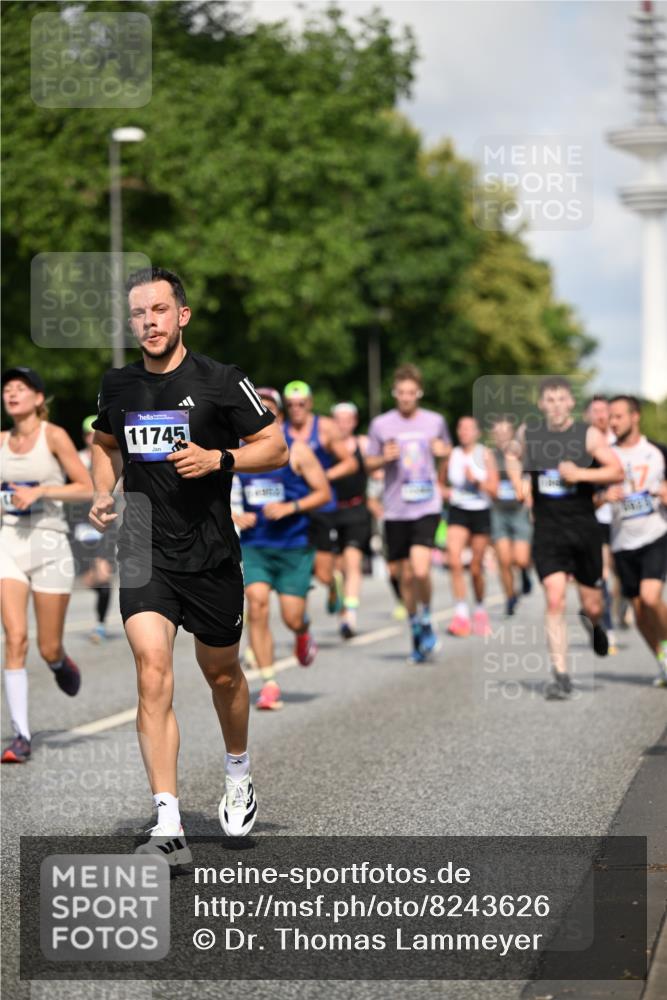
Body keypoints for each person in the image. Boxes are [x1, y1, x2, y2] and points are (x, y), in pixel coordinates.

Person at [88, 267, 288, 858]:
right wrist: (104, 490)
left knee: (222, 673)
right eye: (138, 314)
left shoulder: (222, 381)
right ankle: (168, 826)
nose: (148, 322)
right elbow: (105, 446)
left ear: (182, 316)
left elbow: (275, 447)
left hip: (211, 553)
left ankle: (238, 771)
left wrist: (219, 458)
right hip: (144, 547)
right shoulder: (118, 386)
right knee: (152, 669)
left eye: (158, 310)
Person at [508, 376, 623, 700]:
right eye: (550, 400)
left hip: (583, 528)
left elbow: (616, 471)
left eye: (562, 399)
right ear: (542, 404)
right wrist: (519, 481)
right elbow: (513, 456)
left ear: (571, 403)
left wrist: (581, 474)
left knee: (592, 604)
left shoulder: (586, 435)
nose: (556, 405)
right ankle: (561, 674)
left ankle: (595, 624)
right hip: (548, 529)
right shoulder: (530, 433)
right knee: (554, 597)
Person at [1, 367, 92, 763]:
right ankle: (21, 735)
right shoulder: (0, 442)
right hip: (8, 543)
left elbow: (86, 486)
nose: (12, 394)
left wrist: (40, 489)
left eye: (20, 388)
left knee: (46, 644)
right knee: (15, 637)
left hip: (51, 543)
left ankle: (58, 660)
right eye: (7, 389)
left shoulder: (53, 436)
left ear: (39, 398)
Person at [234, 387, 331, 709]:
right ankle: (269, 682)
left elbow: (323, 493)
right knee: (257, 605)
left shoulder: (298, 450)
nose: (263, 414)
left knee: (291, 617)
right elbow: (217, 494)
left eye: (269, 410)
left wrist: (291, 508)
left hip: (292, 545)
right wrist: (234, 514)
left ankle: (302, 632)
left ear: (278, 415)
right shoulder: (237, 451)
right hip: (255, 544)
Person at [365, 364, 451, 662]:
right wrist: (381, 459)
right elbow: (367, 463)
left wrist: (444, 454)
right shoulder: (381, 425)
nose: (405, 398)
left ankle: (426, 614)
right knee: (402, 576)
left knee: (421, 569)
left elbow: (447, 452)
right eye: (400, 393)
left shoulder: (435, 421)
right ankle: (415, 623)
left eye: (411, 393)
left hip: (426, 505)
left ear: (419, 393)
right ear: (394, 393)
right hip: (395, 509)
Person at [605, 396, 667, 686]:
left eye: (618, 416)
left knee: (651, 596)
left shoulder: (657, 451)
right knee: (640, 610)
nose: (613, 422)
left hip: (655, 533)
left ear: (635, 416)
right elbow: (587, 498)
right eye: (610, 417)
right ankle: (662, 660)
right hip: (622, 541)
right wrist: (603, 496)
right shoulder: (604, 456)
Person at [282, 382, 357, 615]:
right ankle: (298, 618)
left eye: (301, 404)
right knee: (296, 566)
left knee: (322, 572)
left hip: (321, 505)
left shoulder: (325, 428)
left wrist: (323, 475)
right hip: (292, 507)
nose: (296, 409)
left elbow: (350, 462)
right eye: (291, 405)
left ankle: (333, 582)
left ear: (310, 403)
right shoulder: (279, 430)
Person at [441, 417, 498, 637]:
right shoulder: (452, 455)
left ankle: (480, 611)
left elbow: (494, 490)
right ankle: (461, 614)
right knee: (454, 560)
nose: (464, 432)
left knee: (475, 568)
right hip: (458, 510)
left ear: (477, 432)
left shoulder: (485, 455)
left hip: (480, 510)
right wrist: (444, 491)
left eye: (468, 429)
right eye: (461, 428)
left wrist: (475, 481)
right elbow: (439, 482)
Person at [72, 414, 116, 643]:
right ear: (83, 436)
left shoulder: (112, 456)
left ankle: (99, 625)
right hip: (78, 525)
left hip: (105, 524)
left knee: (104, 575)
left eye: (95, 432)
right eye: (88, 434)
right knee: (87, 578)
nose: (92, 437)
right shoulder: (75, 460)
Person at [330, 402, 372, 638]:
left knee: (353, 564)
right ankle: (342, 608)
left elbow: (376, 468)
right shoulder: (327, 447)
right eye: (339, 419)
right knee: (333, 570)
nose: (343, 424)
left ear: (354, 422)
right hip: (331, 511)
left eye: (347, 420)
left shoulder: (363, 444)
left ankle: (350, 616)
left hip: (356, 509)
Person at [489, 418, 533, 617]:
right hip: (498, 512)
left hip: (519, 510)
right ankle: (509, 596)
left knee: (521, 559)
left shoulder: (520, 454)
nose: (502, 437)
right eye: (498, 433)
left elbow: (530, 477)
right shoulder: (489, 456)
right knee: (503, 560)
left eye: (505, 433)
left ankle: (524, 572)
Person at [584, 396, 618, 653]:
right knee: (603, 572)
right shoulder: (583, 447)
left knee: (621, 574)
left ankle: (617, 607)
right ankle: (606, 625)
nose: (601, 416)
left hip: (624, 519)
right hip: (596, 518)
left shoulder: (619, 443)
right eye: (596, 412)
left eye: (605, 411)